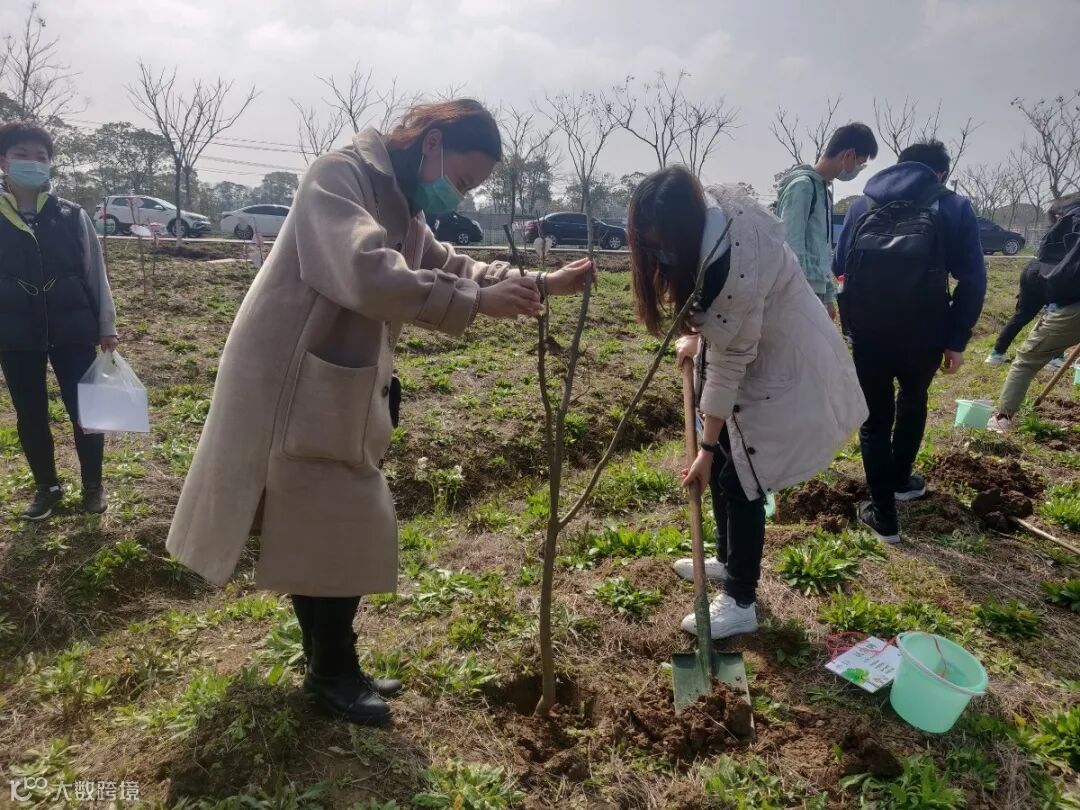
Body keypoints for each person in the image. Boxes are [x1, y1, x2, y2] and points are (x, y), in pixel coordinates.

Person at [164, 99, 594, 726]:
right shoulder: (338, 176)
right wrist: (476, 302)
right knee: (341, 521)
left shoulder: (401, 204)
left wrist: (540, 283)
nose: (459, 195)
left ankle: (331, 665)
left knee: (320, 524)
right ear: (432, 143)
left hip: (332, 378)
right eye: (462, 180)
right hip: (289, 376)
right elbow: (365, 271)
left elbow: (449, 264)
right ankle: (332, 672)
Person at [628, 166, 867, 639]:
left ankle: (741, 600)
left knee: (743, 478)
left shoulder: (731, 266)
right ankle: (726, 556)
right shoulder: (709, 219)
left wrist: (705, 447)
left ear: (685, 231)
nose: (659, 258)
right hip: (753, 344)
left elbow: (730, 360)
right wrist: (701, 339)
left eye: (664, 248)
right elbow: (724, 332)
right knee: (724, 465)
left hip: (782, 360)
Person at [833, 140, 986, 543]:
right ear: (941, 174)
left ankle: (883, 515)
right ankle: (901, 480)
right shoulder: (954, 207)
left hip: (868, 332)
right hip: (926, 333)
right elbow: (973, 279)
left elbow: (839, 265)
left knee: (874, 419)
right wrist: (957, 339)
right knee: (914, 400)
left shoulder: (862, 205)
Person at [0, 122, 119, 520]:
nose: (32, 163)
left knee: (86, 409)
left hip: (73, 330)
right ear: (3, 162)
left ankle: (93, 485)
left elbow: (94, 272)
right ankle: (46, 488)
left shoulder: (71, 215)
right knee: (30, 413)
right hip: (15, 333)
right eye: (22, 155)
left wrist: (106, 325)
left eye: (41, 157)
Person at [988, 192, 1080, 432]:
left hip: (1071, 307)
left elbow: (1056, 276)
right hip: (1066, 304)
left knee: (1026, 361)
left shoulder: (1068, 226)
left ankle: (1002, 419)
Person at [774, 123, 879, 319]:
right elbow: (791, 246)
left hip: (815, 292)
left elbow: (822, 251)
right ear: (848, 155)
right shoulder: (802, 186)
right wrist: (802, 297)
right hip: (798, 293)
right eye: (860, 163)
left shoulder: (823, 191)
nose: (858, 169)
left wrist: (828, 296)